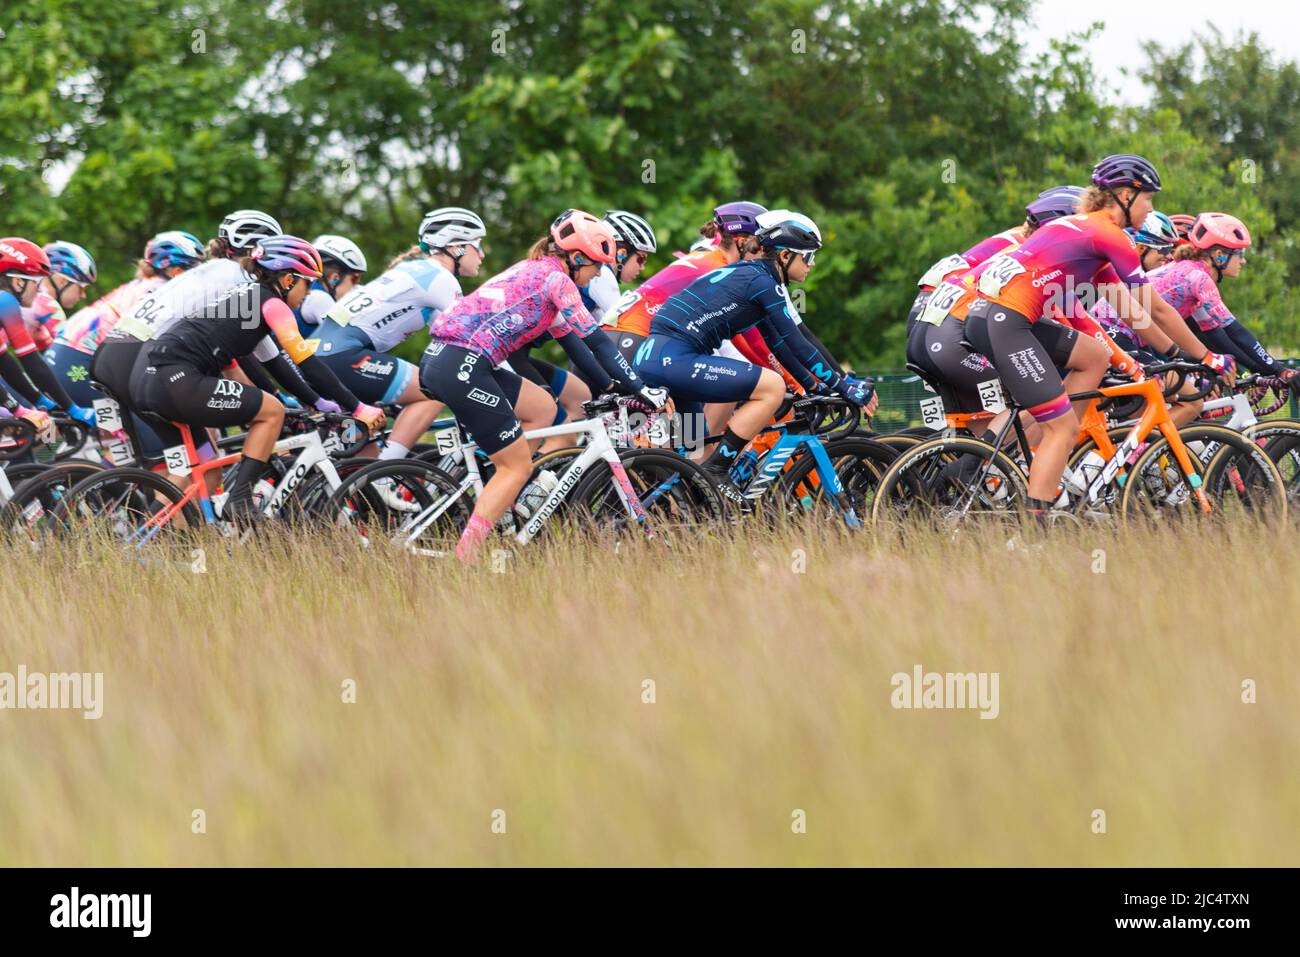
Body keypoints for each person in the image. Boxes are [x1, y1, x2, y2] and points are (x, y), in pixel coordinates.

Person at [951, 154, 1232, 519]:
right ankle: (1033, 531)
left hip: (993, 317)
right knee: (1062, 429)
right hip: (1006, 320)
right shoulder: (1108, 234)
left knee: (1093, 357)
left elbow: (1135, 315)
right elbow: (1157, 308)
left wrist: (1175, 353)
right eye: (1148, 198)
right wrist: (1207, 358)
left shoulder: (1084, 234)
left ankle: (1037, 457)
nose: (1150, 209)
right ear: (1124, 195)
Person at [419, 209, 665, 561]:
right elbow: (598, 342)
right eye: (596, 265)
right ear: (576, 257)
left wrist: (612, 388)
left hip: (449, 358)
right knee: (515, 466)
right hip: (463, 363)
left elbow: (575, 345)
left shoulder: (537, 273)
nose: (598, 273)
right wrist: (640, 387)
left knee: (543, 409)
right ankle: (467, 557)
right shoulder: (557, 281)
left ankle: (507, 500)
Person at [131, 235, 385, 523]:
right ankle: (240, 498)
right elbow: (307, 362)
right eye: (308, 282)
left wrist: (317, 402)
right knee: (271, 412)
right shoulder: (272, 304)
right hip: (178, 379)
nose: (309, 292)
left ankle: (152, 537)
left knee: (206, 471)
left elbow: (275, 367)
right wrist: (358, 407)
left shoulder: (247, 298)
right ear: (288, 279)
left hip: (152, 381)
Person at [633, 210, 872, 501]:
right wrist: (842, 385)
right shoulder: (763, 283)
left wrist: (814, 387)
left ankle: (690, 513)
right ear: (785, 256)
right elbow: (796, 341)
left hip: (658, 358)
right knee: (771, 387)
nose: (812, 264)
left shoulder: (751, 276)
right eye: (808, 256)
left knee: (695, 459)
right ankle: (720, 469)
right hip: (675, 359)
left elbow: (779, 345)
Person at [312, 208, 488, 460]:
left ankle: (372, 483)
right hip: (344, 356)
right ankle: (389, 470)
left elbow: (447, 343)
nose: (481, 254)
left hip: (320, 356)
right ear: (457, 247)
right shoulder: (441, 278)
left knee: (363, 461)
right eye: (477, 245)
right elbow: (472, 340)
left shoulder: (415, 270)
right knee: (433, 392)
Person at [45, 231, 205, 409]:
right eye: (195, 270)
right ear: (177, 271)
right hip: (77, 361)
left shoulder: (142, 285)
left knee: (119, 424)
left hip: (64, 357)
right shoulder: (162, 290)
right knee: (138, 415)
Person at [1149, 212, 1297, 382]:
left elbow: (1215, 335)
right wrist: (1280, 371)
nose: (1243, 261)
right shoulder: (1200, 278)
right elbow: (1236, 331)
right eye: (1239, 253)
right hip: (1130, 330)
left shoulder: (1190, 273)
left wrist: (1261, 370)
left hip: (1135, 331)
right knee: (1190, 401)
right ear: (1219, 255)